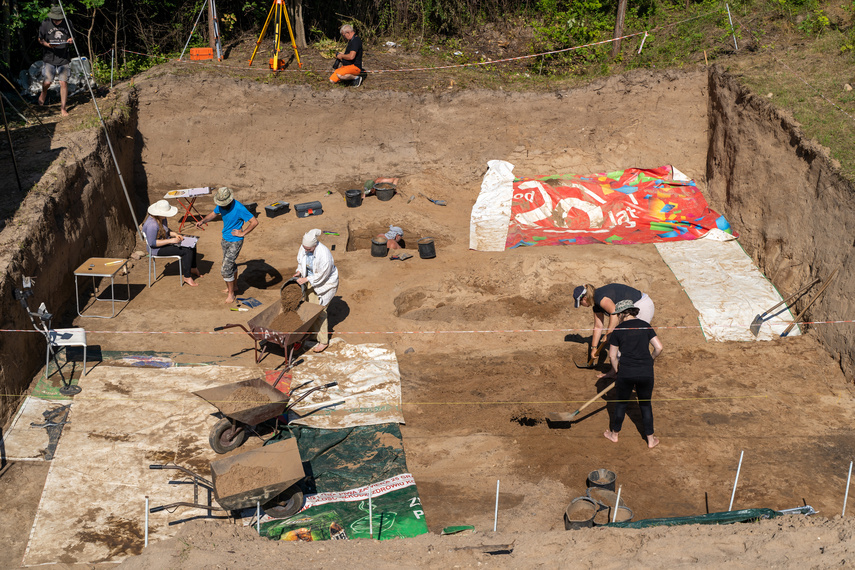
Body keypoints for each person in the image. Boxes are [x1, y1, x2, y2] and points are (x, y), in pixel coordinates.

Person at [603, 299, 663, 449]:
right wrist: (651, 359)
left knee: (621, 404)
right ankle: (650, 439)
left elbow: (612, 356)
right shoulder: (645, 326)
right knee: (645, 404)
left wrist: (617, 371)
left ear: (624, 313)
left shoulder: (618, 330)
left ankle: (614, 435)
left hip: (626, 372)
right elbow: (659, 348)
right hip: (646, 372)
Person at [195, 187, 258, 303]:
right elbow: (213, 214)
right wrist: (202, 221)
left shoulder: (239, 207)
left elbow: (254, 222)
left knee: (225, 268)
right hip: (225, 239)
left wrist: (243, 233)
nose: (222, 206)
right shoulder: (221, 205)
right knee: (230, 263)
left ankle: (231, 294)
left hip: (235, 241)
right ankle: (234, 286)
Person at [573, 282, 655, 367]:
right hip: (629, 311)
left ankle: (635, 368)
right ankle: (614, 372)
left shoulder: (599, 297)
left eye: (580, 303)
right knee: (621, 342)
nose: (582, 306)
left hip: (641, 305)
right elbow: (598, 326)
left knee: (629, 341)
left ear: (585, 298)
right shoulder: (596, 305)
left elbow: (614, 313)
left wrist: (608, 333)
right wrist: (593, 348)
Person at [294, 229, 339, 353]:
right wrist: (299, 272)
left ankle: (323, 341)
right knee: (309, 308)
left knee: (319, 311)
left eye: (309, 249)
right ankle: (313, 334)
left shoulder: (324, 255)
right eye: (305, 248)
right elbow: (301, 261)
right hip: (309, 280)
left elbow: (323, 276)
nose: (306, 250)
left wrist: (306, 279)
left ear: (315, 245)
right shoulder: (304, 247)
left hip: (325, 284)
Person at [142, 200, 201, 286]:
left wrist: (175, 234)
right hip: (156, 249)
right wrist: (171, 240)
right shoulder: (152, 225)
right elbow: (152, 243)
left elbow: (166, 230)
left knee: (192, 242)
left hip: (165, 241)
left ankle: (193, 268)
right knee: (186, 251)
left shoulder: (162, 218)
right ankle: (187, 277)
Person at [38, 6, 74, 116]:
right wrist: (47, 44)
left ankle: (63, 108)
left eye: (58, 19)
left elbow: (73, 37)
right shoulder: (45, 23)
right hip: (49, 57)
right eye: (55, 19)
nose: (56, 21)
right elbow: (40, 39)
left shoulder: (68, 23)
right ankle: (44, 92)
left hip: (63, 57)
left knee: (63, 82)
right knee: (48, 82)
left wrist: (71, 40)